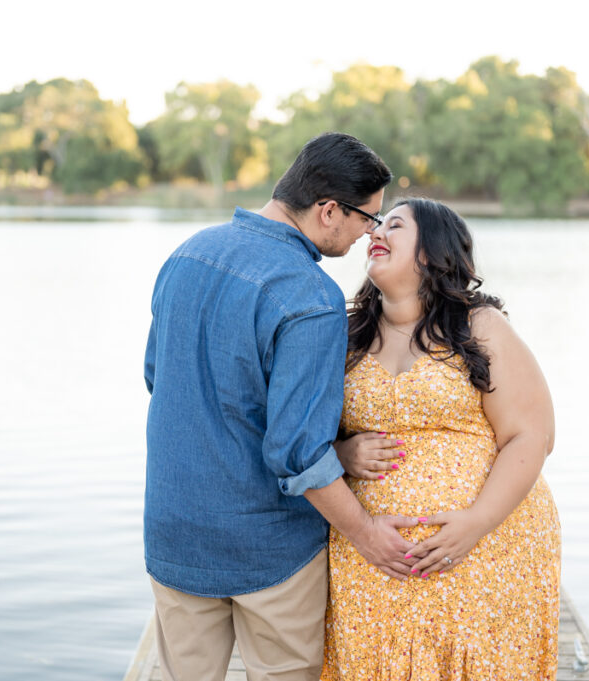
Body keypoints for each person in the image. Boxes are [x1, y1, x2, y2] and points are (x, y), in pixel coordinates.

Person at [143, 133, 417, 681]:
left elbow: (159, 377)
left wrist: (333, 447)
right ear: (329, 210)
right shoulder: (309, 297)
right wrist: (367, 535)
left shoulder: (186, 253)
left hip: (175, 530)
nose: (370, 234)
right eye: (368, 218)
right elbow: (296, 453)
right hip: (268, 549)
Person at [322, 198, 561, 680]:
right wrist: (344, 454)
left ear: (431, 252)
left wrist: (474, 523)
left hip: (485, 546)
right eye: (375, 226)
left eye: (394, 225)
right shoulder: (344, 334)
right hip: (371, 551)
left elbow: (532, 435)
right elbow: (305, 437)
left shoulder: (480, 327)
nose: (375, 233)